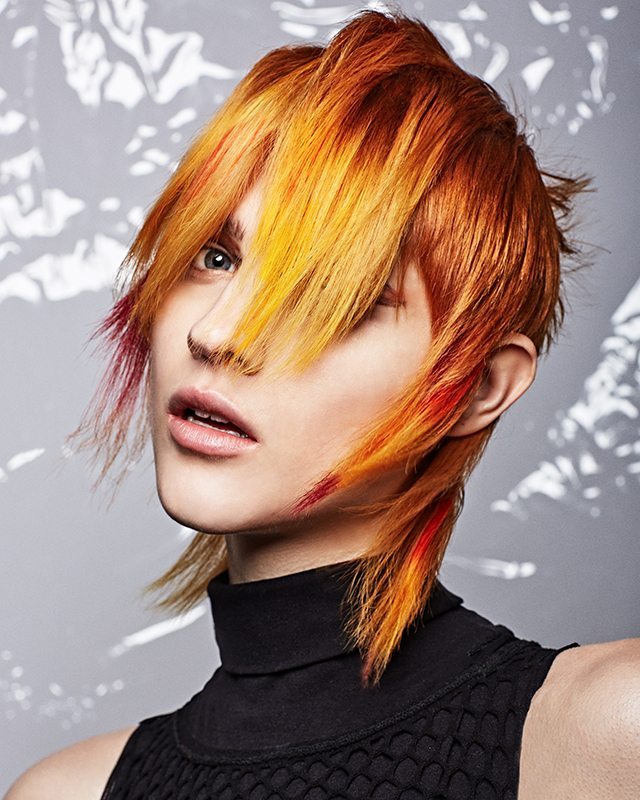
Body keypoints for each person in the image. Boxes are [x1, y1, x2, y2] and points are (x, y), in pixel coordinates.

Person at [6, 9, 639, 800]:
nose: (216, 332)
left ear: (477, 386)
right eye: (215, 255)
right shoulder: (67, 793)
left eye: (331, 293)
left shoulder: (606, 735)